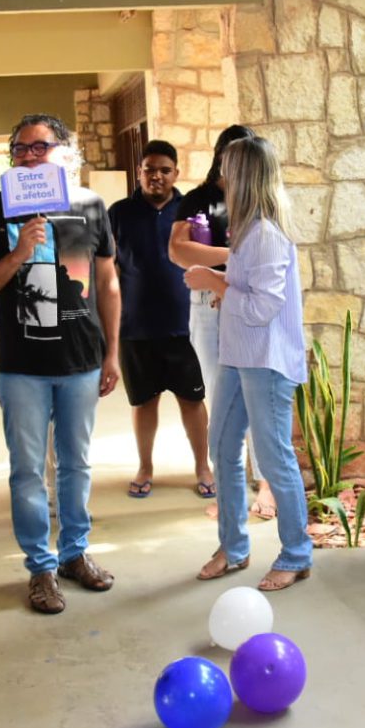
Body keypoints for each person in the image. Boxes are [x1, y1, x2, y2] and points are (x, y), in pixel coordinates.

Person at [0, 113, 122, 616]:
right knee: (28, 471)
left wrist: (112, 352)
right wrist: (17, 253)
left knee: (76, 464)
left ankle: (75, 553)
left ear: (66, 154)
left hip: (81, 361)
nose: (30, 156)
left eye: (41, 146)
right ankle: (40, 567)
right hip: (22, 365)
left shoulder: (90, 206)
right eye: (21, 148)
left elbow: (107, 283)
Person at [185, 136, 313, 592]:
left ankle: (296, 554)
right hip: (238, 357)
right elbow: (251, 296)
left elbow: (262, 309)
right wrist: (223, 284)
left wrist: (213, 282)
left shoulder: (266, 235)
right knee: (221, 447)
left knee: (274, 458)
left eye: (227, 168)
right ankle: (233, 546)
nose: (221, 176)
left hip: (267, 362)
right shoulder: (245, 231)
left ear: (245, 176)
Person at [168, 124, 279, 520]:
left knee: (259, 393)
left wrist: (224, 262)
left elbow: (272, 252)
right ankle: (229, 489)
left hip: (251, 300)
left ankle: (266, 483)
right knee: (221, 395)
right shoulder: (198, 198)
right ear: (219, 155)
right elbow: (178, 250)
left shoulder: (262, 201)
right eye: (230, 154)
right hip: (207, 304)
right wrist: (232, 256)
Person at [107, 140, 214, 499]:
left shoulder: (190, 211)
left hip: (186, 326)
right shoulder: (119, 213)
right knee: (143, 402)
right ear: (139, 172)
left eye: (164, 170)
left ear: (176, 174)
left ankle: (203, 466)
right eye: (149, 169)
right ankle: (145, 467)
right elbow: (107, 269)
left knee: (192, 401)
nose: (156, 176)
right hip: (135, 327)